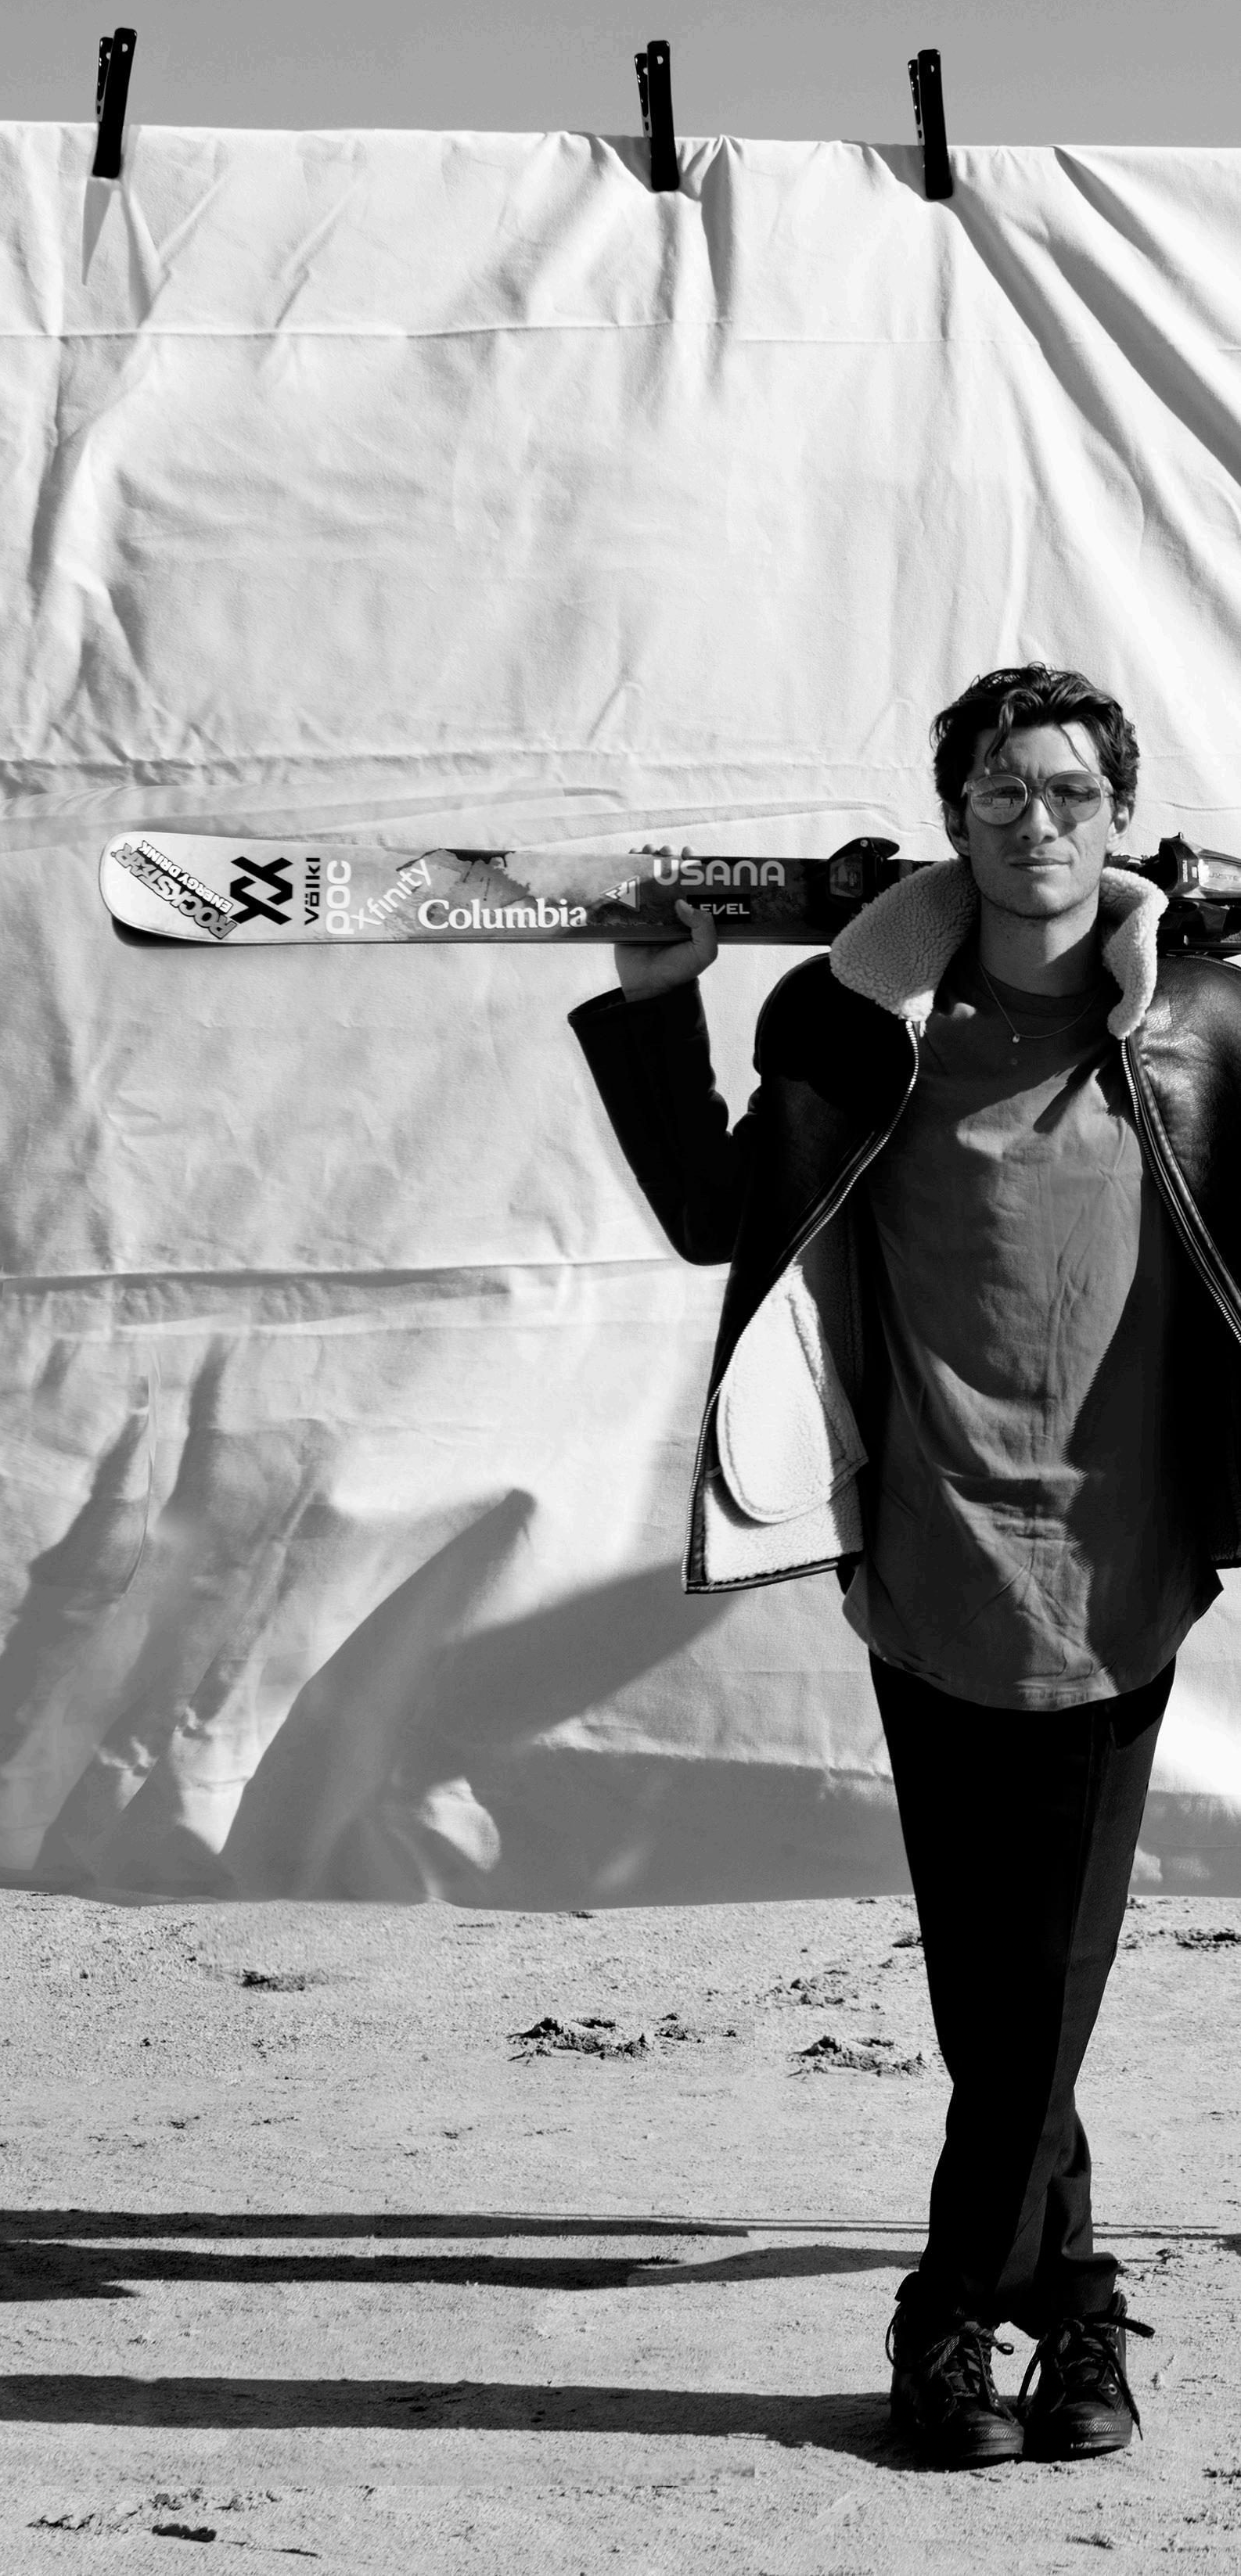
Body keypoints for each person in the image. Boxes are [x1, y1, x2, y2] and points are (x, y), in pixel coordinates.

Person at [570, 663, 1241, 2470]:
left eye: (1072, 793)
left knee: (1033, 1997)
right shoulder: (862, 1015)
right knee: (1001, 1997)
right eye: (1002, 793)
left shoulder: (1201, 1022)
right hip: (933, 1565)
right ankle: (1073, 2318)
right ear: (955, 817)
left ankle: (959, 2315)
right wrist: (657, 1007)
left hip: (1123, 1569)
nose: (1039, 825)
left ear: (1122, 817)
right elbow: (719, 1212)